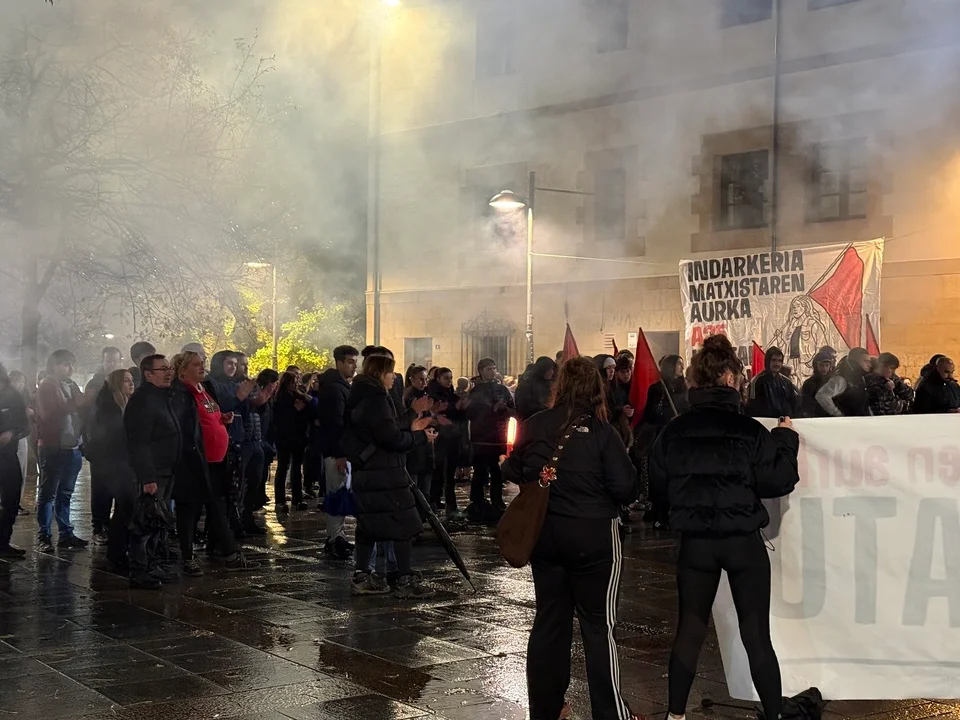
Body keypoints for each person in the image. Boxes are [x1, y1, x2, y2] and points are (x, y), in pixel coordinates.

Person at [648, 335, 799, 720]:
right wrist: (785, 439)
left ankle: (675, 715)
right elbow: (779, 480)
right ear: (730, 378)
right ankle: (774, 715)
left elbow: (658, 486)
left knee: (690, 629)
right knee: (756, 634)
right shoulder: (750, 431)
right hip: (742, 541)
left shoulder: (674, 431)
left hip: (696, 542)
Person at [501, 356, 639, 720]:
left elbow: (512, 467)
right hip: (594, 538)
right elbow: (626, 487)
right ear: (596, 389)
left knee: (550, 621)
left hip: (546, 538)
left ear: (559, 386)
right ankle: (610, 714)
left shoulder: (535, 424)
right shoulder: (603, 432)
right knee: (598, 626)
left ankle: (545, 709)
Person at [342, 353, 437, 597]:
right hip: (384, 473)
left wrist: (412, 416)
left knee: (369, 524)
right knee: (403, 523)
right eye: (390, 372)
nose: (394, 377)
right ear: (379, 374)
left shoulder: (363, 395)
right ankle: (403, 578)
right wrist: (419, 437)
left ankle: (363, 575)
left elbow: (387, 426)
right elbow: (391, 437)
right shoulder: (375, 399)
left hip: (370, 472)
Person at [169, 351, 258, 575]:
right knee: (190, 508)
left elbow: (209, 415)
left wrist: (222, 419)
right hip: (196, 461)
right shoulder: (181, 393)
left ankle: (228, 554)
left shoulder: (204, 389)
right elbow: (186, 427)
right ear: (183, 370)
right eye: (196, 364)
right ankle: (190, 556)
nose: (202, 367)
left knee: (216, 506)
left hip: (216, 460)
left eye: (202, 363)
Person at [124, 354, 179, 588]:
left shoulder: (162, 396)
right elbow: (139, 442)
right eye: (162, 369)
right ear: (148, 374)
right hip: (152, 472)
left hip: (166, 468)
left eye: (169, 368)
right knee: (145, 521)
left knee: (158, 520)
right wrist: (147, 477)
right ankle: (139, 570)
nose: (168, 372)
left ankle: (152, 565)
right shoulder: (143, 400)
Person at [35, 349, 87, 552]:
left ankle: (66, 533)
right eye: (66, 364)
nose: (70, 369)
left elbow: (82, 408)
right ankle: (44, 535)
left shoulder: (70, 385)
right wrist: (76, 403)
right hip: (53, 446)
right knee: (48, 493)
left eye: (72, 364)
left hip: (72, 446)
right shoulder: (47, 386)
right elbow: (50, 414)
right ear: (55, 365)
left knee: (65, 492)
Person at [87, 369, 137, 568]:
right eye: (125, 381)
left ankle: (122, 549)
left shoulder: (128, 405)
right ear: (116, 384)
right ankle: (117, 552)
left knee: (127, 507)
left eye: (131, 380)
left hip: (124, 463)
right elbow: (108, 438)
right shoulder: (108, 408)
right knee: (124, 507)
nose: (131, 384)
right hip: (113, 464)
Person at [315, 345, 359, 557]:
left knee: (340, 490)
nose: (354, 366)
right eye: (350, 362)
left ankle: (337, 536)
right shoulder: (334, 388)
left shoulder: (339, 386)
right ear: (339, 363)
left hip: (340, 449)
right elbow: (335, 423)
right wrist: (340, 453)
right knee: (336, 492)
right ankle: (334, 538)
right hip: (336, 451)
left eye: (355, 362)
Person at [636, 355, 688, 527]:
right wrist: (667, 417)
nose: (681, 368)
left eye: (682, 364)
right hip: (661, 436)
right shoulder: (657, 389)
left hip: (679, 438)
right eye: (678, 364)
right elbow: (650, 414)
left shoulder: (685, 387)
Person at [466, 358, 515, 520]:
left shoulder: (502, 389)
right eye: (488, 369)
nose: (492, 371)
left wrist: (504, 409)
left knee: (496, 471)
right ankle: (477, 501)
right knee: (480, 470)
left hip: (498, 436)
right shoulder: (475, 391)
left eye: (494, 368)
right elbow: (470, 413)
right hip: (481, 437)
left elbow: (513, 409)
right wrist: (487, 411)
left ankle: (497, 500)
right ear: (481, 371)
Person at [427, 367, 469, 520]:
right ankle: (436, 503)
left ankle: (445, 504)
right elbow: (435, 412)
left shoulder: (451, 395)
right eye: (446, 378)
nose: (449, 381)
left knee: (448, 473)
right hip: (439, 438)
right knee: (438, 472)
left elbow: (459, 413)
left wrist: (461, 407)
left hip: (453, 437)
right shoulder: (433, 394)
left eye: (451, 378)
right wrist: (453, 408)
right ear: (438, 379)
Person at [0, 364, 28, 559]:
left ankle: (3, 542)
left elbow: (24, 424)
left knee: (11, 498)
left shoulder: (13, 396)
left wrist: (13, 432)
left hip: (8, 455)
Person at [272, 371, 311, 512]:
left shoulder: (298, 396)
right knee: (283, 467)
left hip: (298, 437)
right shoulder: (280, 398)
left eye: (296, 382)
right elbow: (279, 419)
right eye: (292, 382)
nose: (295, 385)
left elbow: (306, 413)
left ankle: (297, 498)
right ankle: (280, 500)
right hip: (285, 437)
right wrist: (295, 411)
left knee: (296, 469)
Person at [404, 365, 435, 513]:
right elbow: (409, 421)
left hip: (426, 444)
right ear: (412, 379)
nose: (424, 383)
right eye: (420, 379)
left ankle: (424, 513)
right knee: (414, 486)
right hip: (415, 445)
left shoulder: (426, 395)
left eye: (425, 379)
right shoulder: (408, 396)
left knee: (426, 485)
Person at [815, 348, 873, 417]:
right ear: (854, 362)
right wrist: (838, 414)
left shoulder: (860, 378)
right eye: (866, 361)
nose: (869, 365)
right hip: (847, 422)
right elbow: (822, 395)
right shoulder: (841, 379)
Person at [746, 346, 798, 418]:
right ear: (767, 361)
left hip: (785, 422)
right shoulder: (757, 382)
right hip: (765, 422)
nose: (777, 364)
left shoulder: (787, 382)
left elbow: (794, 405)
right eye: (774, 360)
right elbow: (752, 408)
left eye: (780, 361)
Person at [8, 370, 33, 517]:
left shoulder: (23, 398)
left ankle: (15, 503)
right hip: (8, 440)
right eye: (15, 381)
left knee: (21, 473)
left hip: (22, 438)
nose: (18, 385)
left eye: (21, 382)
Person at [515, 356, 557, 421]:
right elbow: (524, 406)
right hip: (532, 421)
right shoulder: (526, 386)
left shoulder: (549, 385)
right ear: (543, 370)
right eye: (549, 369)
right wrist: (545, 408)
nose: (552, 372)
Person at [799, 346, 837, 418]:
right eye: (821, 365)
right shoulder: (809, 383)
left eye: (827, 365)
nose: (824, 368)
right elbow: (806, 405)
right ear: (816, 365)